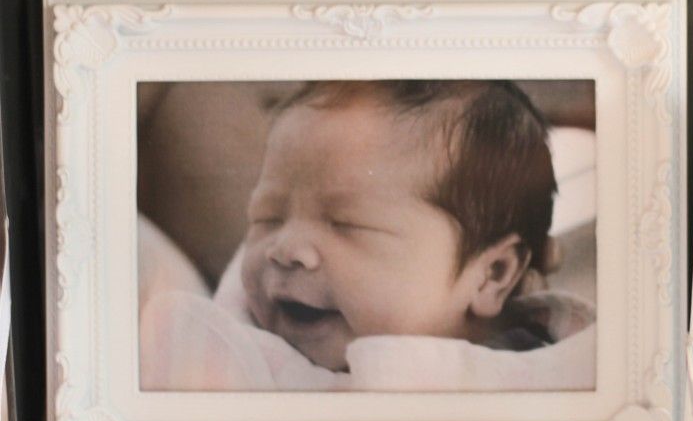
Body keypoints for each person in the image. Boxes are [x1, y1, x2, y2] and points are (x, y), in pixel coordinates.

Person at [139, 80, 595, 391]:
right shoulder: (234, 355)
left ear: (490, 274)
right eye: (268, 217)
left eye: (347, 224)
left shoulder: (559, 382)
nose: (284, 248)